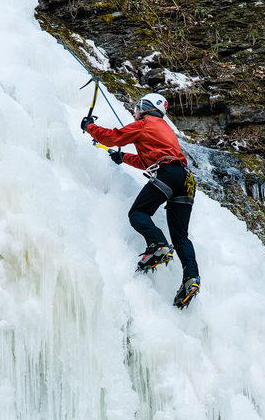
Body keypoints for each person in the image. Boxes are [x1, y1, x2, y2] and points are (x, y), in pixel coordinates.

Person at [81, 92, 200, 308]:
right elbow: (148, 161)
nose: (135, 111)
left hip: (169, 174)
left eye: (137, 107)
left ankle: (158, 245)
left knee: (138, 213)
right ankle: (191, 277)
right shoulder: (164, 129)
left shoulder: (146, 123)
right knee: (181, 237)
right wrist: (123, 157)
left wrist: (89, 126)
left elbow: (113, 137)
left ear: (145, 106)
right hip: (186, 180)